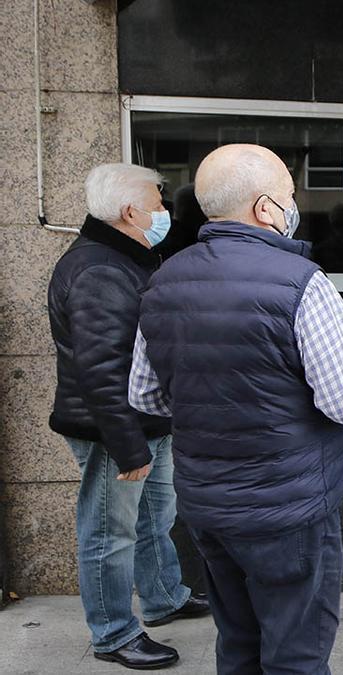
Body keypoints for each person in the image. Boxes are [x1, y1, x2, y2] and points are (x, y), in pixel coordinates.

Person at [129, 144, 343, 674]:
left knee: (239, 645)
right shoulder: (300, 283)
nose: (293, 207)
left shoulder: (163, 284)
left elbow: (146, 397)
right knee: (296, 654)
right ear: (266, 208)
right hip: (288, 508)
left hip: (209, 506)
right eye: (290, 196)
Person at [47, 163, 208, 670]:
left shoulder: (123, 258)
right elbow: (100, 369)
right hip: (114, 430)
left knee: (155, 517)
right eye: (158, 205)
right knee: (108, 532)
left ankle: (162, 597)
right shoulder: (100, 270)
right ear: (130, 211)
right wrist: (128, 445)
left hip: (144, 422)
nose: (164, 213)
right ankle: (114, 633)